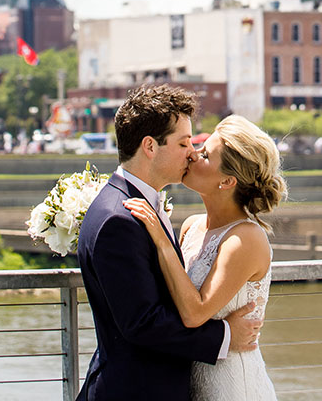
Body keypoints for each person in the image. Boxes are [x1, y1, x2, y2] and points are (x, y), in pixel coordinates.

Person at [76, 85, 262, 401]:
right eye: (183, 143)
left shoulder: (139, 204)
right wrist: (224, 336)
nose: (191, 152)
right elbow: (142, 323)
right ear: (150, 146)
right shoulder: (119, 219)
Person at [124, 113, 287, 401]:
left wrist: (161, 239)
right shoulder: (192, 226)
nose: (192, 156)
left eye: (205, 155)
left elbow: (194, 312)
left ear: (227, 181)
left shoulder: (245, 238)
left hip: (234, 386)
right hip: (190, 381)